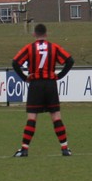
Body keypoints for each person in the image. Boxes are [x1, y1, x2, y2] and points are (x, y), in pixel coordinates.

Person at [11, 23, 74, 157]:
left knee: (32, 117)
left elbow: (15, 63)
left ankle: (24, 149)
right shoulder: (54, 47)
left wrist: (24, 78)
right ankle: (65, 149)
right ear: (46, 34)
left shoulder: (29, 48)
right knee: (56, 116)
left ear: (34, 34)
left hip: (35, 84)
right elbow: (70, 61)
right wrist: (59, 76)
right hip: (50, 84)